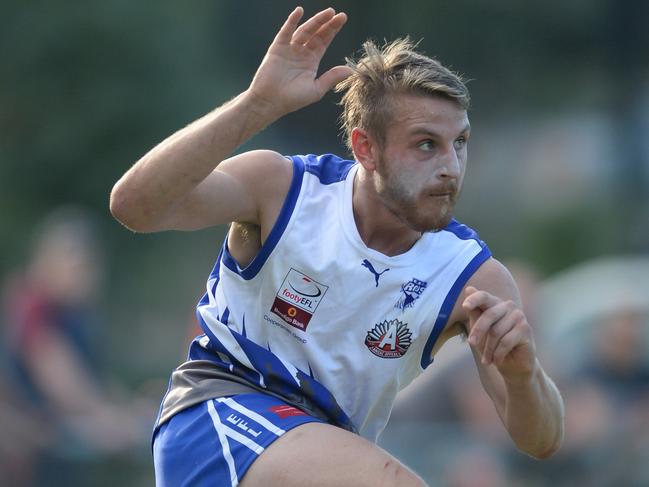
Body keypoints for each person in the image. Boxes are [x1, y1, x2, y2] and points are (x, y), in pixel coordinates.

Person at [110, 7, 564, 487]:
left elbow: (542, 441)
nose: (451, 165)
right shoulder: (283, 189)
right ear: (365, 148)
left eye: (461, 142)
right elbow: (135, 206)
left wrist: (523, 375)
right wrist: (257, 105)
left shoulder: (474, 278)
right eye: (426, 144)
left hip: (320, 447)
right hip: (219, 410)